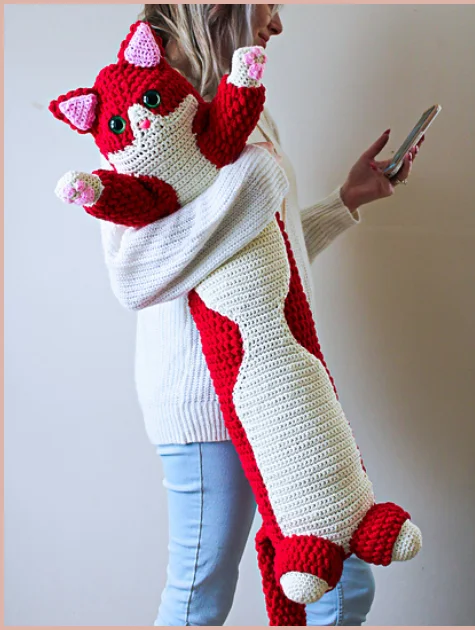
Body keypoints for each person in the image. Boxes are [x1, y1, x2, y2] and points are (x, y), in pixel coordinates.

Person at [102, 5, 422, 625]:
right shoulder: (142, 108)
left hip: (278, 381)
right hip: (203, 405)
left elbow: (259, 244)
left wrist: (345, 202)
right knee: (202, 593)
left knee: (343, 575)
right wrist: (248, 180)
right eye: (268, 6)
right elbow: (134, 273)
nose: (278, 25)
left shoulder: (246, 106)